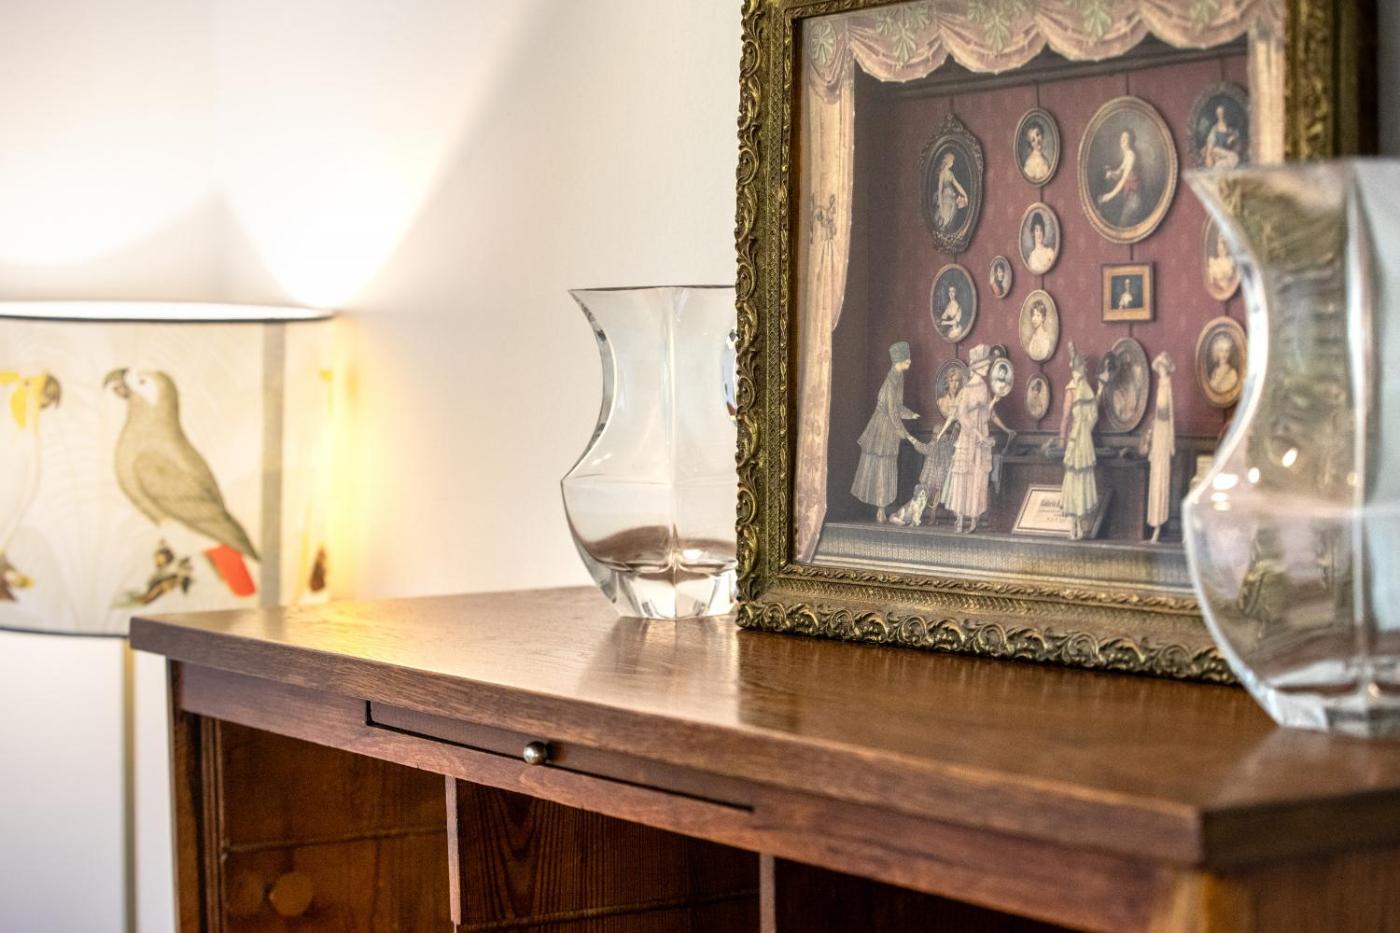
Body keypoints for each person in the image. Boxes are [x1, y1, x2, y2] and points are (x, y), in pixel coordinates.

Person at [938, 345, 1014, 534]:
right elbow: (962, 417)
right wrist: (979, 435)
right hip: (969, 438)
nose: (987, 368)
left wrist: (1005, 427)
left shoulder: (984, 387)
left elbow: (988, 413)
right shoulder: (967, 390)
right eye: (984, 365)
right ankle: (960, 519)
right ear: (976, 366)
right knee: (964, 478)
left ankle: (973, 520)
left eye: (987, 365)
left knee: (978, 478)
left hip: (981, 438)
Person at [851, 341, 919, 522]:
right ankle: (880, 509)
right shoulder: (891, 382)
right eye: (907, 359)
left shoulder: (899, 377)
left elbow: (897, 407)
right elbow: (892, 411)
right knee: (882, 468)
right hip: (882, 428)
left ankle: (883, 508)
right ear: (899, 361)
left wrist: (910, 414)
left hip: (889, 426)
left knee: (887, 467)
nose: (910, 362)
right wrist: (903, 432)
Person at [1057, 343, 1106, 541]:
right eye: (1084, 365)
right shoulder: (1078, 387)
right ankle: (1076, 525)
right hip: (1080, 439)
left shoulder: (1079, 387)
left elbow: (1072, 416)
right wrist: (1062, 439)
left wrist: (1062, 440)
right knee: (1077, 480)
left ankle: (1077, 525)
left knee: (1077, 480)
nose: (1085, 368)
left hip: (1080, 439)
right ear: (1080, 367)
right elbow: (1073, 416)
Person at [905, 366, 963, 526]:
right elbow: (926, 447)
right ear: (947, 382)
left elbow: (950, 438)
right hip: (935, 473)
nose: (955, 384)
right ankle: (927, 516)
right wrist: (912, 440)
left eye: (958, 381)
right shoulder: (941, 402)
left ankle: (932, 516)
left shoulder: (945, 444)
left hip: (937, 473)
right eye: (952, 381)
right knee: (929, 494)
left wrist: (912, 439)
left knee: (935, 494)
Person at [1140, 352, 1176, 543]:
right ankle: (1153, 527)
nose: (1161, 371)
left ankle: (1158, 528)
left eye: (1163, 368)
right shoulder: (1162, 386)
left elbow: (1168, 416)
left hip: (1163, 439)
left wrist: (1169, 442)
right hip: (1158, 440)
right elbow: (1159, 415)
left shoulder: (1167, 386)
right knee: (1155, 482)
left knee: (1161, 482)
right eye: (1159, 368)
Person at [1099, 128, 1144, 228]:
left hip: (1134, 198)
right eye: (1121, 138)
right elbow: (1119, 173)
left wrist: (1109, 196)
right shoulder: (1127, 154)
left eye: (1125, 138)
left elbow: (1123, 180)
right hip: (1128, 196)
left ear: (1130, 141)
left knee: (1122, 225)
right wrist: (1111, 173)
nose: (1122, 141)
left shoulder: (1131, 156)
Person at [936, 152, 969, 231]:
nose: (953, 163)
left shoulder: (951, 174)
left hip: (952, 201)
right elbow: (940, 190)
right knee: (945, 222)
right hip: (945, 201)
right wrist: (941, 207)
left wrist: (965, 195)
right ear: (948, 161)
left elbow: (958, 185)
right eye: (952, 161)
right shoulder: (942, 174)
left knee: (951, 223)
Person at [1202, 104, 1242, 169]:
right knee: (1233, 157)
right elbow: (1210, 145)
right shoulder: (1214, 128)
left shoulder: (1230, 128)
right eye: (1219, 113)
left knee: (1234, 158)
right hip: (1217, 151)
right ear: (1217, 114)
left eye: (1222, 113)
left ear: (1225, 114)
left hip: (1225, 153)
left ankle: (1220, 165)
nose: (1221, 115)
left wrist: (1233, 138)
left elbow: (1237, 142)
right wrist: (1208, 157)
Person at [1207, 333, 1240, 398]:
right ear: (1217, 352)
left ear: (1229, 353)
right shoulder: (1215, 372)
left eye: (1227, 351)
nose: (1224, 354)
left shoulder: (1233, 373)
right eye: (1221, 351)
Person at [1207, 230, 1238, 296]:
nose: (1221, 249)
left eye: (1223, 247)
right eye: (1219, 246)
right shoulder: (1214, 262)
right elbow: (1212, 277)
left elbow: (1230, 273)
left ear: (1226, 248)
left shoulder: (1230, 262)